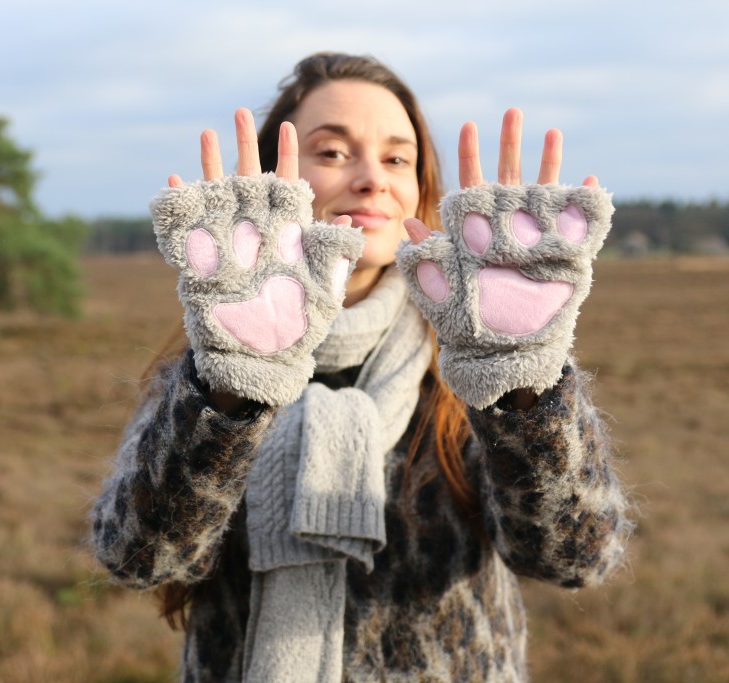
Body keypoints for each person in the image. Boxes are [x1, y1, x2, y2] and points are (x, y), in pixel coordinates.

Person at [91, 52, 632, 682]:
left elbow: (574, 556)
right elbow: (141, 557)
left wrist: (518, 378)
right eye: (332, 152)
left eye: (397, 157)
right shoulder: (206, 371)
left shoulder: (471, 356)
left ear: (420, 185)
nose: (374, 178)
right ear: (275, 181)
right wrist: (235, 381)